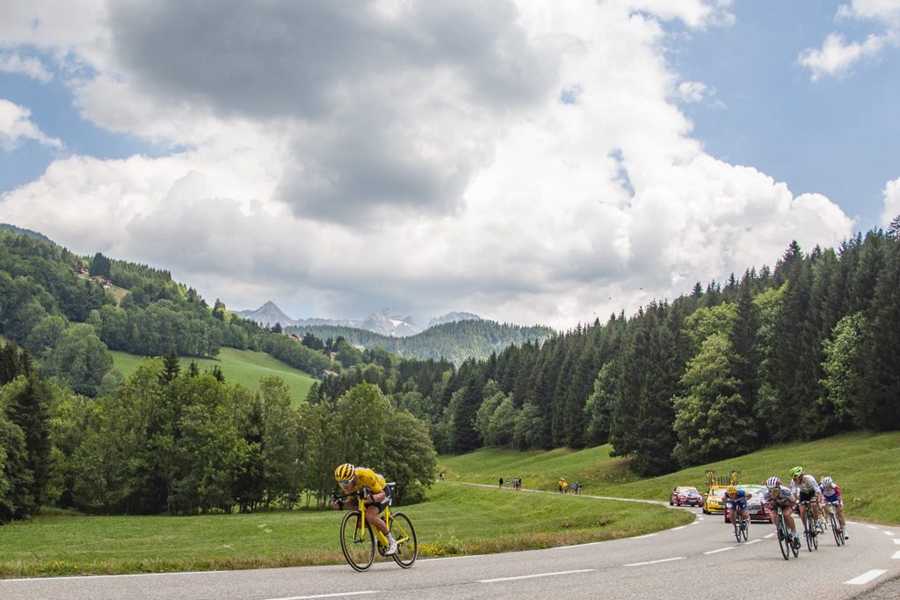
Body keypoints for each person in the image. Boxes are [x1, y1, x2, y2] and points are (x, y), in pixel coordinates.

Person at [331, 463, 398, 555]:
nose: (344, 485)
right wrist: (341, 505)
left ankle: (391, 541)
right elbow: (354, 503)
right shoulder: (345, 483)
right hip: (367, 495)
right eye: (340, 482)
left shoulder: (365, 475)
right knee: (359, 524)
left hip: (381, 491)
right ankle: (380, 523)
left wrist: (373, 498)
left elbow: (382, 495)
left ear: (353, 478)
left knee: (370, 516)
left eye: (346, 482)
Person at [764, 476, 801, 550]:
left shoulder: (786, 491)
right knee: (773, 515)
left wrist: (785, 502)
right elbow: (766, 506)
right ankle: (780, 528)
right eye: (770, 490)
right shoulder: (766, 494)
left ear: (779, 488)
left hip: (786, 506)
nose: (772, 492)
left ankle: (794, 533)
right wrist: (769, 505)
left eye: (775, 490)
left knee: (786, 514)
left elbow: (793, 503)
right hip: (774, 507)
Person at [790, 466, 825, 534]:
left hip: (812, 493)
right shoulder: (793, 481)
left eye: (795, 479)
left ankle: (817, 523)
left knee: (813, 504)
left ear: (801, 477)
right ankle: (805, 527)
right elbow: (794, 493)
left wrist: (818, 501)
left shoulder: (810, 479)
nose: (794, 480)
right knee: (802, 510)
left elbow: (819, 492)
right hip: (803, 493)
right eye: (793, 479)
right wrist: (796, 501)